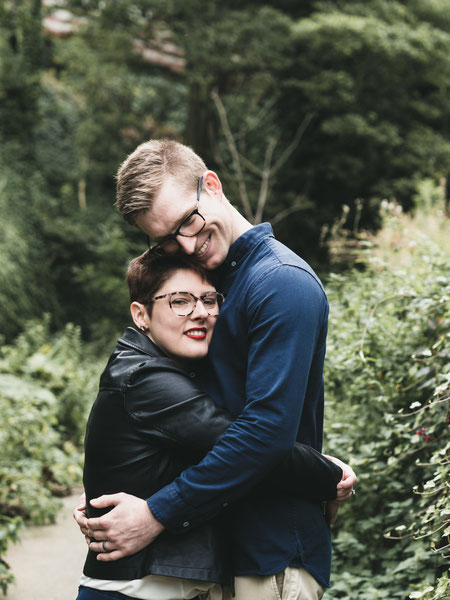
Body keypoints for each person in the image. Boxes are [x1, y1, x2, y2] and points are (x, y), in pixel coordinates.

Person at [75, 140, 357, 600]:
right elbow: (185, 419)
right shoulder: (214, 282)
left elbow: (265, 432)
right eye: (165, 240)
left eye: (188, 221)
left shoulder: (280, 282)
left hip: (271, 548)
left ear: (211, 185)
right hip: (217, 549)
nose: (185, 244)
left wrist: (156, 513)